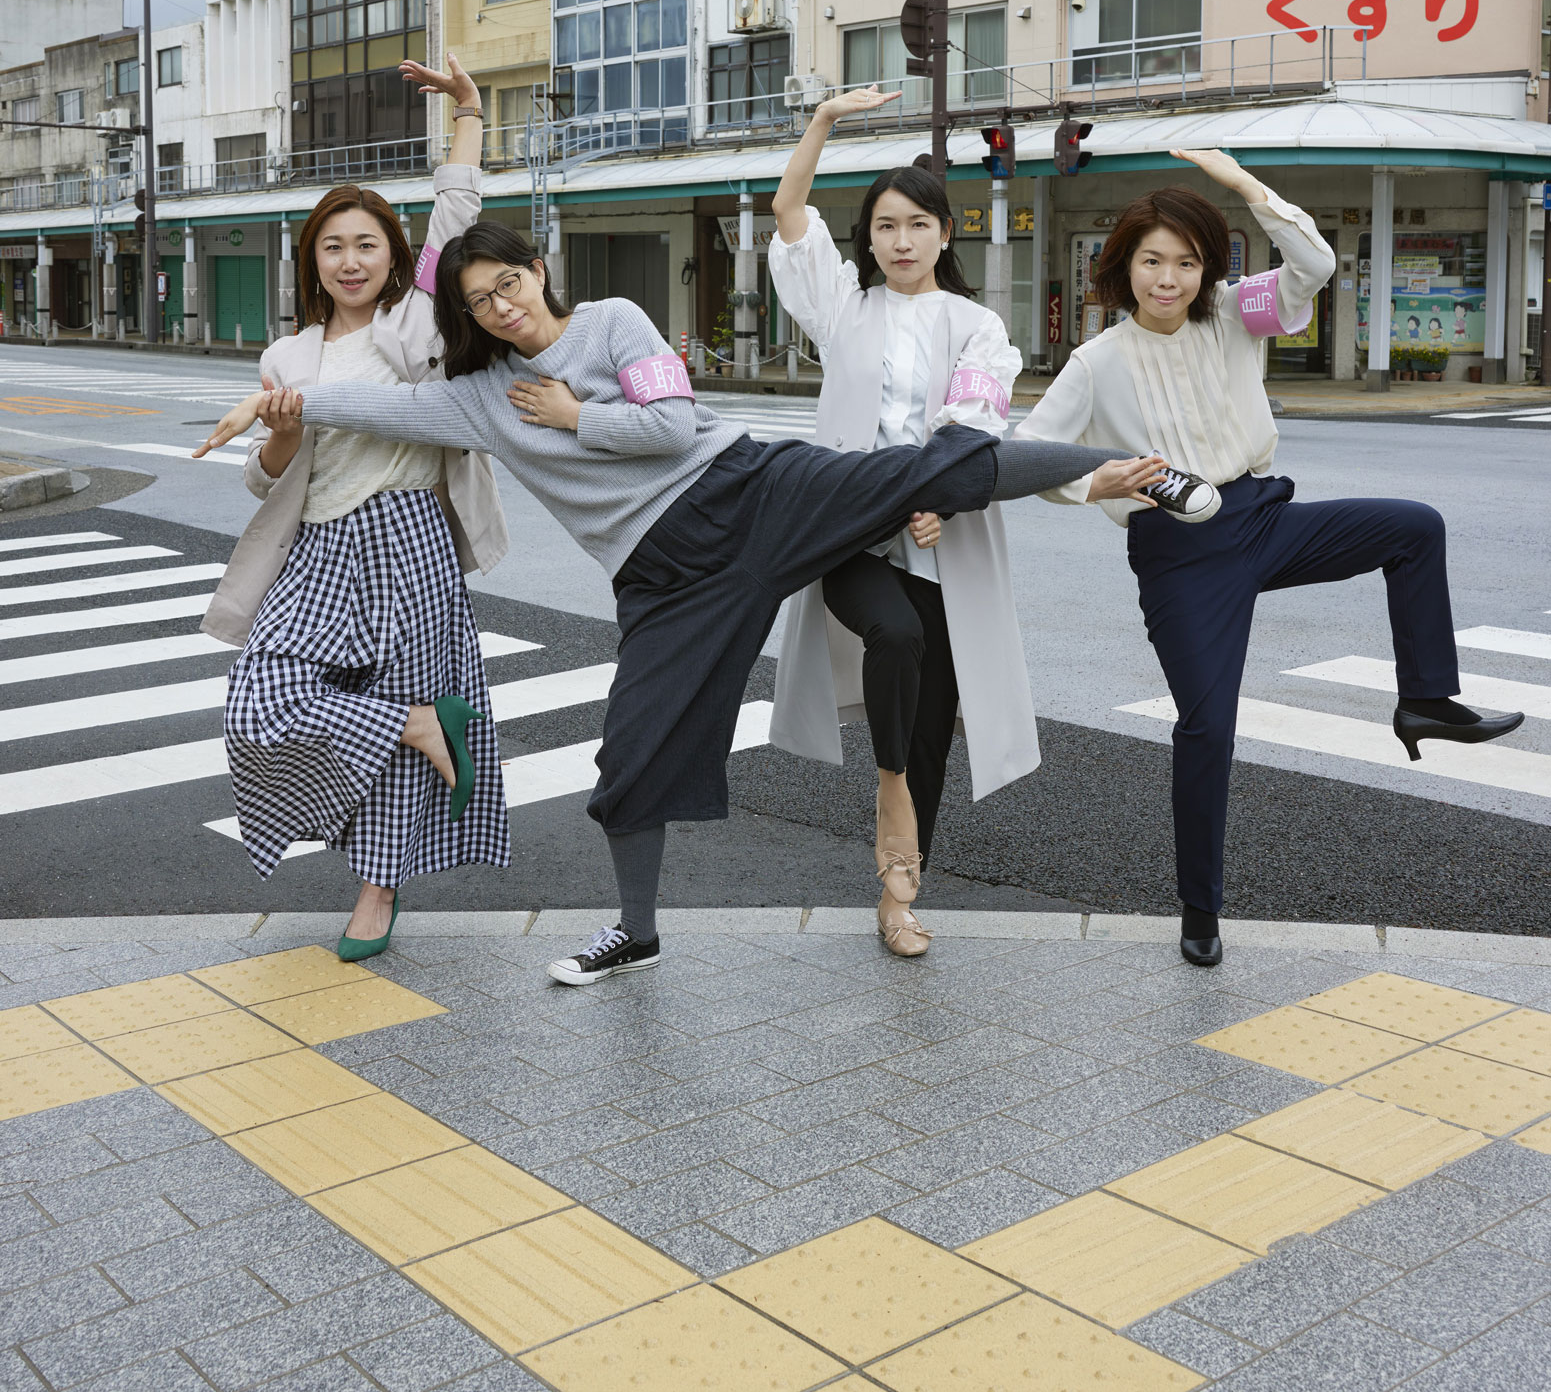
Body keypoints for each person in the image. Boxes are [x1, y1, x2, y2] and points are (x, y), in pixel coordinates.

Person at [196, 221, 1209, 987]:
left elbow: (674, 420)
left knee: (926, 469)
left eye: (508, 283)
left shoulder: (613, 325)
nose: (501, 306)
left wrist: (579, 413)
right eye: (479, 300)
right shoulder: (475, 392)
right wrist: (271, 402)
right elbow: (375, 401)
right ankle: (635, 930)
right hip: (665, 577)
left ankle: (1139, 470)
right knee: (632, 752)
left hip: (747, 491)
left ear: (539, 271)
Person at [1017, 146, 1524, 968]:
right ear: (1124, 267)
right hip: (1179, 552)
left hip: (1261, 514)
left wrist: (1243, 185)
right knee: (1207, 726)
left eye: (1185, 262)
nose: (1168, 279)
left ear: (1206, 269)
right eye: (1152, 261)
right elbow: (1028, 454)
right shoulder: (1094, 363)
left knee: (1414, 526)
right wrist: (1099, 479)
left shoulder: (1234, 312)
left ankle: (1426, 700)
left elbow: (1314, 263)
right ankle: (1198, 911)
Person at [766, 88, 1170, 956]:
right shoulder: (840, 311)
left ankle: (899, 894)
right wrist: (825, 122)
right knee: (895, 639)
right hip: (849, 533)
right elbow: (788, 209)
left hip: (944, 536)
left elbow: (974, 427)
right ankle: (887, 791)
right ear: (867, 240)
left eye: (917, 225)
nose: (901, 242)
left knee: (934, 720)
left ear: (945, 234)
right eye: (884, 228)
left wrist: (930, 500)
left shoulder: (979, 325)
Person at [199, 57, 510, 960]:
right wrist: (283, 438)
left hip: (409, 538)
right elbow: (268, 479)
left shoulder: (416, 323)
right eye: (333, 247)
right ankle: (417, 722)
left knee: (397, 694)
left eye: (366, 245)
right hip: (318, 552)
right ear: (313, 261)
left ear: (393, 257)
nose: (350, 261)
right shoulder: (286, 358)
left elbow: (454, 211)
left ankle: (376, 895)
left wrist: (469, 115)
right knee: (258, 699)